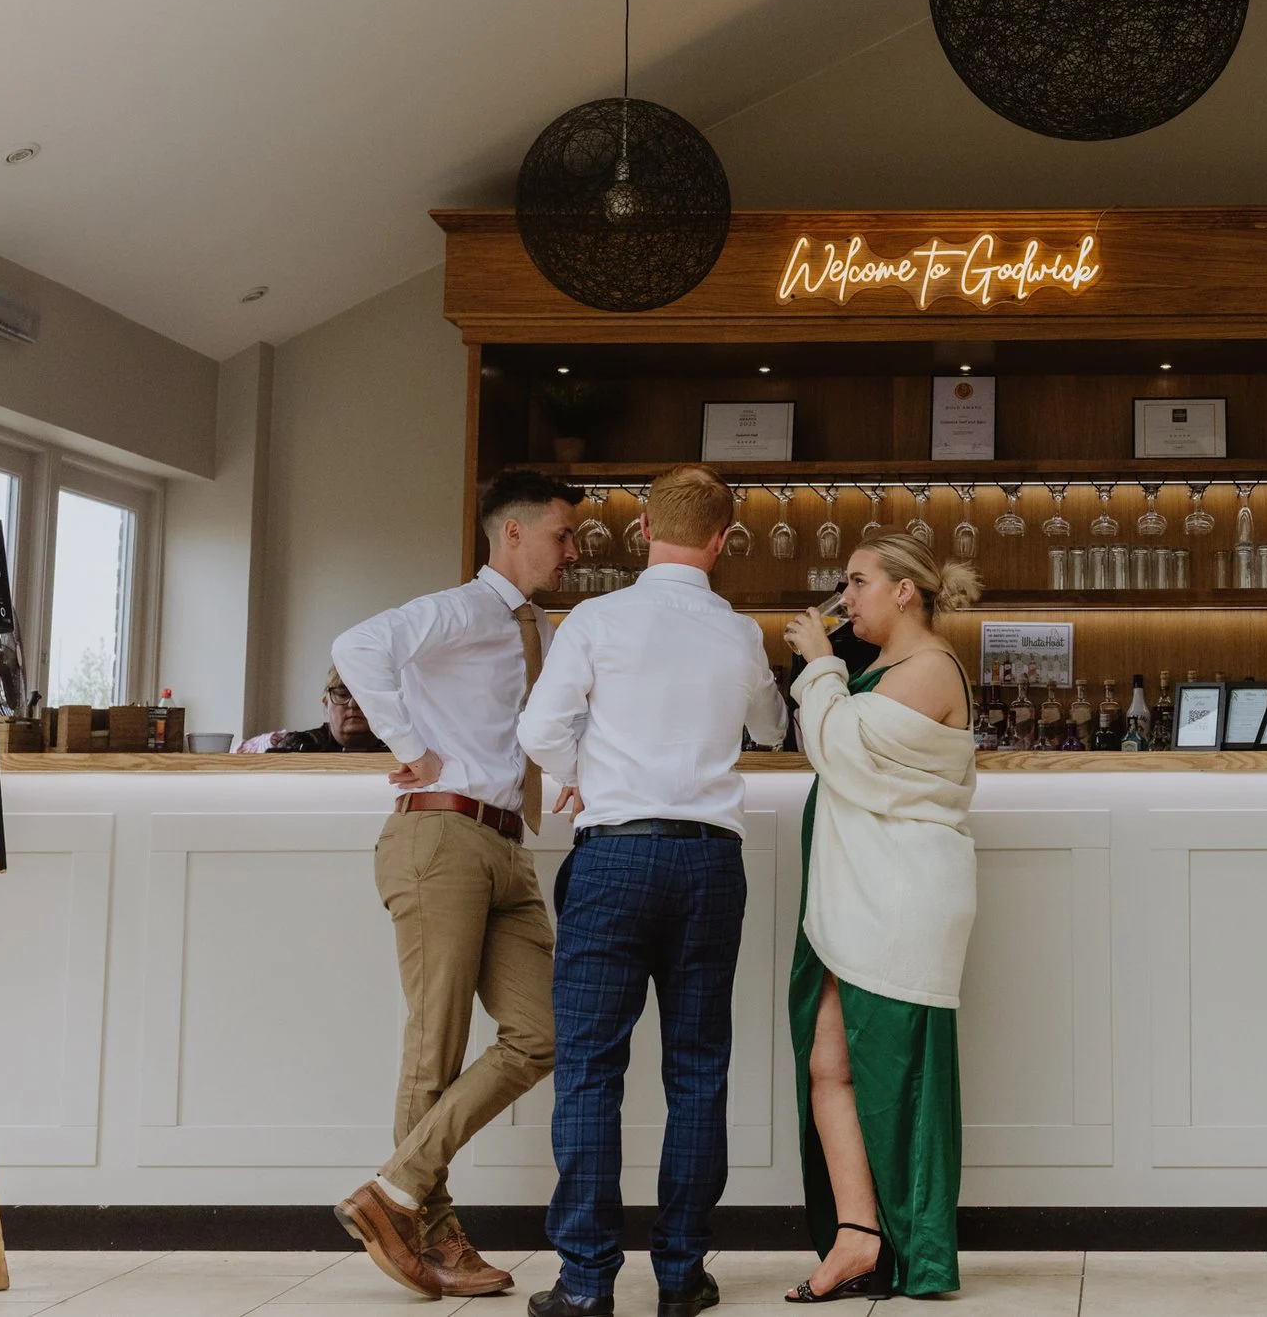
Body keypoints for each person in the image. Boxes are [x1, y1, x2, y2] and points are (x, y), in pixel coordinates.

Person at [516, 463, 790, 1317]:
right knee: (698, 1070)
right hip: (710, 863)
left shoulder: (596, 618)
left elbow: (538, 730)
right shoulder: (739, 631)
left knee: (592, 1070)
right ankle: (680, 1273)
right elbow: (771, 728)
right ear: (722, 540)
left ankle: (587, 1282)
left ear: (642, 531)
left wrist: (579, 775)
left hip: (617, 857)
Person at [328, 468, 581, 1299]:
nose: (571, 548)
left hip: (507, 844)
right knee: (433, 1046)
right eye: (561, 533)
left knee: (541, 1033)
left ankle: (393, 1190)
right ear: (511, 533)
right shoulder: (466, 607)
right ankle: (433, 1236)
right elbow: (355, 646)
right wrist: (408, 743)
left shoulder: (534, 624)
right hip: (439, 832)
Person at [777, 531, 981, 1302]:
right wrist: (831, 670)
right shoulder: (883, 669)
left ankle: (915, 1250)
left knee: (896, 1071)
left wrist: (819, 663)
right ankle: (858, 1234)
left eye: (858, 581)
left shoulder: (929, 668)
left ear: (905, 590)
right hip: (860, 889)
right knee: (829, 1058)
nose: (845, 596)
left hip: (903, 893)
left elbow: (843, 751)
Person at [234, 667, 389, 753]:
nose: (353, 703)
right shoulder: (298, 745)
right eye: (342, 694)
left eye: (363, 694)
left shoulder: (401, 749)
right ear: (326, 704)